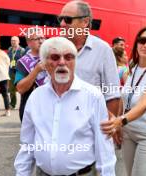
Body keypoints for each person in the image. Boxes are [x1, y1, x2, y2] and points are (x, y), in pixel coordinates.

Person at [14, 37, 116, 176]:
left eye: (69, 57)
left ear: (75, 61)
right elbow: (27, 144)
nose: (62, 62)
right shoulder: (36, 97)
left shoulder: (93, 96)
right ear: (44, 63)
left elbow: (104, 146)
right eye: (55, 57)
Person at [101, 25, 146, 176]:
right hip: (128, 131)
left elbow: (144, 104)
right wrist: (121, 125)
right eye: (142, 40)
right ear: (137, 44)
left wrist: (119, 121)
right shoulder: (133, 68)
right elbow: (125, 98)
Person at [58, 0, 121, 118]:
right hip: (60, 122)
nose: (62, 24)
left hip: (90, 127)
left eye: (67, 19)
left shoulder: (103, 49)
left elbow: (112, 94)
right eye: (60, 19)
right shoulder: (55, 47)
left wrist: (108, 129)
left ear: (85, 22)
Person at [15, 28, 47, 122]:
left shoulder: (53, 57)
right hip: (32, 109)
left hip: (52, 107)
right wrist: (36, 71)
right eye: (37, 39)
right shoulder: (23, 62)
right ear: (28, 43)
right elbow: (20, 89)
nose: (41, 41)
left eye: (42, 38)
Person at [7, 36, 25, 109]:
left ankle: (23, 104)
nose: (13, 42)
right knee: (11, 89)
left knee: (21, 89)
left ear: (18, 41)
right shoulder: (10, 49)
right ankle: (12, 104)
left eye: (15, 40)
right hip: (11, 71)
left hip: (19, 72)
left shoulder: (22, 50)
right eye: (12, 40)